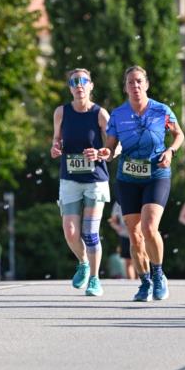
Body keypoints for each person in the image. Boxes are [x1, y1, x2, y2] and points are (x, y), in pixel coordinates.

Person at [105, 65, 184, 302]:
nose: (135, 86)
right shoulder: (118, 115)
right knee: (134, 235)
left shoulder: (162, 111)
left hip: (156, 174)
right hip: (127, 178)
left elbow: (179, 134)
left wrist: (171, 151)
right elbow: (109, 148)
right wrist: (103, 154)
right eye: (131, 82)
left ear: (146, 84)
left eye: (139, 81)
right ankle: (144, 281)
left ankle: (158, 275)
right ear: (126, 87)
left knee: (149, 228)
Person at [50, 68, 111, 297]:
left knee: (90, 232)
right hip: (70, 179)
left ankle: (95, 279)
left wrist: (102, 153)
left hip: (95, 180)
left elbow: (115, 146)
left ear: (91, 85)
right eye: (74, 81)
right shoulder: (61, 112)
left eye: (83, 81)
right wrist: (56, 148)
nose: (79, 85)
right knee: (70, 231)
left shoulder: (100, 114)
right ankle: (83, 262)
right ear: (70, 87)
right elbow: (56, 141)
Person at [108, 201, 136, 279]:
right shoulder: (118, 203)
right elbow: (113, 220)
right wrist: (118, 228)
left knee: (140, 259)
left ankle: (143, 282)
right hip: (125, 235)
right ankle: (132, 284)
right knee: (128, 262)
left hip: (139, 234)